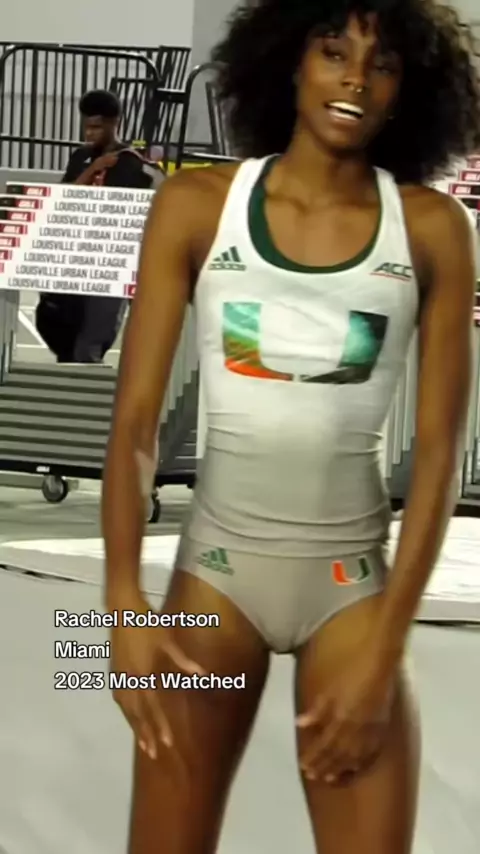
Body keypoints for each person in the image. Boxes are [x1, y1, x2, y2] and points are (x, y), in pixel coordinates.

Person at [102, 2, 479, 853]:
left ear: (409, 89)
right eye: (334, 52)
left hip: (352, 594)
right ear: (289, 63)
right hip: (214, 586)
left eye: (382, 64)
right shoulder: (196, 206)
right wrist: (122, 605)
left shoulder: (432, 228)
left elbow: (440, 454)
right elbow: (134, 425)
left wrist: (388, 643)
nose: (356, 78)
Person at [35, 90, 160, 364]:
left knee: (90, 344)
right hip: (74, 258)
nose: (89, 133)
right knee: (61, 331)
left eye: (96, 127)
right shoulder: (80, 156)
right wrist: (94, 169)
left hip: (108, 267)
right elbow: (62, 197)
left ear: (114, 124)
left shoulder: (131, 163)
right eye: (87, 127)